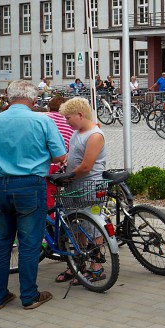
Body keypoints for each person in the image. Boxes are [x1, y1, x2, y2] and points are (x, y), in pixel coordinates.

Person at [0, 80, 67, 311]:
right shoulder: (42, 121)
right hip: (30, 185)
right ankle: (29, 296)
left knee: (0, 242)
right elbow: (59, 156)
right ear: (34, 100)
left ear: (8, 98)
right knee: (29, 243)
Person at [55, 97, 107, 285]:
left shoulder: (95, 135)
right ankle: (78, 263)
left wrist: (67, 177)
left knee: (92, 226)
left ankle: (97, 267)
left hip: (90, 186)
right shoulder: (77, 133)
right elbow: (73, 155)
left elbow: (86, 166)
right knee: (75, 224)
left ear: (80, 114)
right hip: (75, 186)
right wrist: (64, 164)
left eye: (68, 118)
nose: (66, 121)